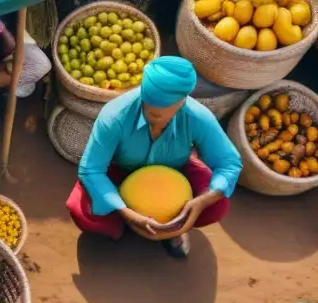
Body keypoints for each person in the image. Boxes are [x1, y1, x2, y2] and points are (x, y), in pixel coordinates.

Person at [67, 56, 243, 258]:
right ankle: (121, 225)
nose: (152, 112)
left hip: (175, 173)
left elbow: (229, 163)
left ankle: (173, 229)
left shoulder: (197, 116)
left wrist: (202, 202)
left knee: (218, 204)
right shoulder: (115, 115)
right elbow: (90, 170)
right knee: (80, 209)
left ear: (182, 101)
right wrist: (127, 213)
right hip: (121, 171)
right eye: (147, 105)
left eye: (161, 110)